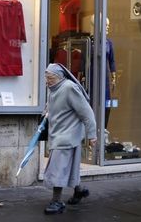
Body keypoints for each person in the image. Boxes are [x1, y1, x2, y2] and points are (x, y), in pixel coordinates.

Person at [43, 63, 97, 215]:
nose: (47, 81)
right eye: (46, 78)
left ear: (59, 77)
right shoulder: (53, 89)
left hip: (67, 136)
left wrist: (92, 134)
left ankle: (56, 201)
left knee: (57, 170)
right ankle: (79, 191)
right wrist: (45, 113)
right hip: (58, 134)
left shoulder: (68, 88)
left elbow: (87, 112)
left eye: (50, 78)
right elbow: (51, 105)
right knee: (70, 168)